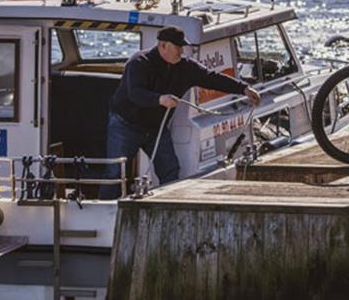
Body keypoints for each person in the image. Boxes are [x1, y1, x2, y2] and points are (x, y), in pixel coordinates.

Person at [100, 26, 261, 199]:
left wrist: (243, 89)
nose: (181, 51)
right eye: (178, 47)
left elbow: (211, 77)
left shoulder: (185, 67)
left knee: (170, 169)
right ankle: (104, 211)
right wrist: (159, 99)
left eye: (182, 47)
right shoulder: (139, 62)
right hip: (125, 126)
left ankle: (169, 204)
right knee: (115, 173)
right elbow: (135, 93)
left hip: (156, 128)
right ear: (163, 46)